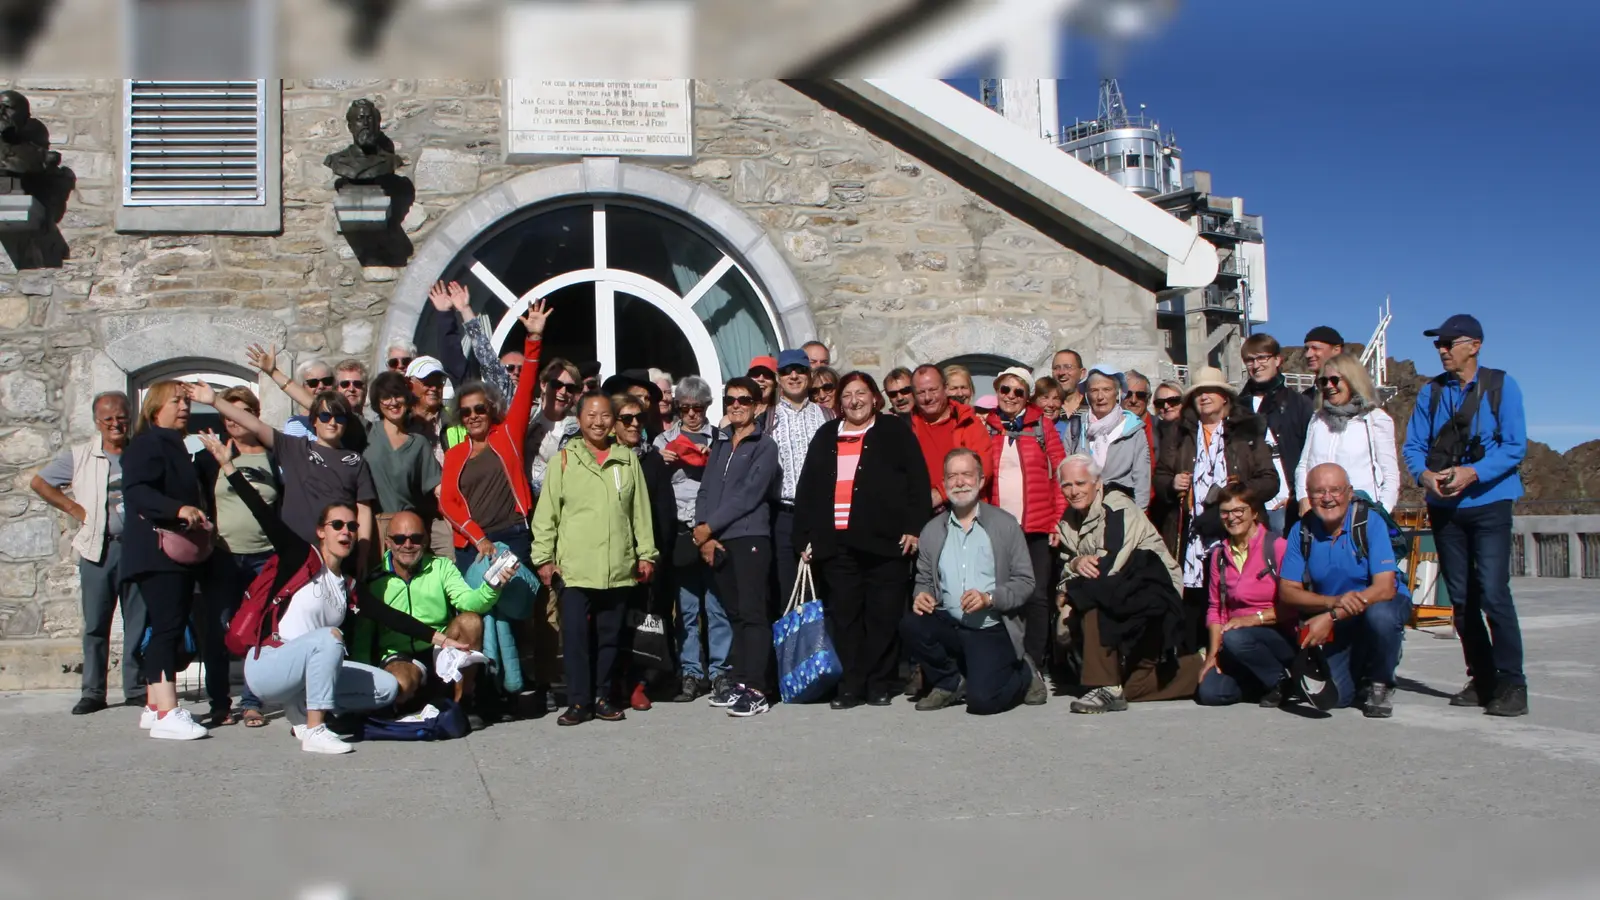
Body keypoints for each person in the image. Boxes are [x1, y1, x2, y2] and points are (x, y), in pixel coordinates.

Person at [201, 436, 469, 755]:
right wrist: (228, 466)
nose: (346, 531)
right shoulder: (299, 557)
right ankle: (316, 728)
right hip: (269, 667)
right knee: (329, 637)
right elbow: (264, 514)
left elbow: (390, 616)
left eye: (352, 526)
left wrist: (441, 639)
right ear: (321, 531)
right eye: (337, 525)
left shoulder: (348, 585)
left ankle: (303, 711)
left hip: (305, 673)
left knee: (386, 687)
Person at [1402, 314, 1528, 717]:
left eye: (1449, 343)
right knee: (1461, 599)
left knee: (1493, 591)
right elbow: (1413, 446)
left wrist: (1473, 472)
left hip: (1490, 504)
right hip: (1445, 509)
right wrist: (1425, 477)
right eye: (1438, 344)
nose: (1441, 350)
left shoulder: (1501, 387)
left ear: (1474, 345)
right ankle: (1482, 678)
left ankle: (1512, 684)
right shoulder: (1430, 393)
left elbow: (1514, 447)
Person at [794, 372, 931, 708]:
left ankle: (879, 682)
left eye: (861, 393)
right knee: (845, 617)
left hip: (885, 543)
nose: (854, 401)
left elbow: (917, 480)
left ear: (874, 397)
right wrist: (805, 536)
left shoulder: (894, 430)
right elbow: (808, 489)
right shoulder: (827, 434)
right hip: (836, 544)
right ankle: (851, 685)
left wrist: (914, 527)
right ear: (838, 402)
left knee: (883, 617)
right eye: (846, 395)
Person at [532, 392, 660, 726]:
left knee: (610, 637)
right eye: (591, 415)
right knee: (575, 639)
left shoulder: (626, 459)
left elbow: (640, 513)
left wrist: (646, 553)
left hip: (617, 567)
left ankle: (603, 697)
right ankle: (578, 702)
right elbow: (547, 514)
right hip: (574, 569)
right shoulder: (564, 459)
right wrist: (544, 557)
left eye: (605, 416)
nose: (598, 422)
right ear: (580, 417)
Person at [902, 448, 1046, 713]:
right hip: (951, 622)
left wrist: (989, 598)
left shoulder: (1005, 525)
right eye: (952, 476)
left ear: (980, 481)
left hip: (991, 626)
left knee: (983, 702)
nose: (959, 482)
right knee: (912, 624)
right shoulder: (933, 530)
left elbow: (1025, 582)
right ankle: (949, 681)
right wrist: (921, 594)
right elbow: (923, 578)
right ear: (944, 484)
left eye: (967, 475)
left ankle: (1025, 673)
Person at [29, 391, 145, 716]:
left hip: (137, 549)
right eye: (107, 419)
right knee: (96, 624)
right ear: (97, 422)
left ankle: (135, 688)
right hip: (99, 549)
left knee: (137, 621)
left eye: (121, 417)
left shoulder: (141, 453)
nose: (115, 424)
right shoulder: (80, 456)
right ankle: (93, 692)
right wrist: (72, 508)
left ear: (130, 417)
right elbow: (39, 483)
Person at [1056, 454, 1200, 713]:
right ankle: (1201, 665)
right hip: (1122, 590)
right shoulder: (1068, 520)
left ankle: (1105, 686)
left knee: (1089, 596)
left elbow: (1110, 565)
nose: (1074, 491)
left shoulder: (1117, 506)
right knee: (1134, 688)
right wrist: (1074, 566)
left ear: (1097, 483)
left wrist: (1068, 593)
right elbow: (1068, 566)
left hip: (1155, 588)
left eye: (1081, 483)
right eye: (1067, 485)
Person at [1152, 366, 1278, 652]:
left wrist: (1238, 493)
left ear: (1225, 397)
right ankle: (1197, 660)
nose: (1204, 397)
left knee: (1234, 592)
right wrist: (1172, 483)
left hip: (1236, 529)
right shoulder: (1180, 433)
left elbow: (1270, 481)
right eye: (1198, 393)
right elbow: (1159, 477)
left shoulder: (1247, 432)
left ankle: (1236, 654)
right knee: (1195, 598)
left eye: (1210, 391)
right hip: (1192, 532)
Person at [120, 381, 218, 741]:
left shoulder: (182, 445)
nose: (183, 407)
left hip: (171, 551)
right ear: (154, 408)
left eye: (186, 401)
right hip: (157, 551)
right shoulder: (147, 443)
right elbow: (138, 491)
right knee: (168, 627)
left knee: (167, 624)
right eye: (175, 401)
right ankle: (166, 711)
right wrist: (177, 508)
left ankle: (152, 705)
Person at [194, 381, 378, 572]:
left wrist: (363, 554)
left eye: (339, 418)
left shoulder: (355, 461)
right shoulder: (294, 448)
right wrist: (215, 400)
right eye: (325, 415)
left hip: (339, 555)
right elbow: (255, 425)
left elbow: (363, 510)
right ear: (314, 420)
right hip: (295, 553)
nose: (332, 422)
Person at [1276, 463, 1411, 718]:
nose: (1327, 498)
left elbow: (1384, 589)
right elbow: (1288, 591)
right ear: (1308, 494)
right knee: (1336, 697)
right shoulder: (1301, 531)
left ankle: (1380, 681)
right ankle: (1362, 667)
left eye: (1335, 490)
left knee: (1381, 617)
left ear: (1349, 492)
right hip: (1340, 613)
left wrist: (1330, 616)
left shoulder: (1369, 522)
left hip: (1377, 604)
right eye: (1318, 491)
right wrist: (1334, 603)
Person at [692, 377, 780, 717]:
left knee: (755, 614)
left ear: (758, 406)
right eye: (731, 400)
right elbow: (706, 491)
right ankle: (740, 681)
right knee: (736, 614)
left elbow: (750, 495)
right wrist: (704, 532)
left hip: (750, 537)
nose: (737, 405)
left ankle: (757, 688)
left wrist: (710, 527)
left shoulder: (765, 445)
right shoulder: (721, 445)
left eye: (744, 400)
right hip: (720, 540)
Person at [438, 301, 548, 572]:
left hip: (513, 535)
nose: (473, 416)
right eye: (465, 412)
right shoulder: (455, 453)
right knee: (479, 614)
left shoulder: (508, 433)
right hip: (472, 543)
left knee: (512, 612)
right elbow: (448, 503)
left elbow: (525, 386)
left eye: (479, 409)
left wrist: (533, 338)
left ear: (491, 409)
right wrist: (479, 537)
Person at [366, 511, 502, 723]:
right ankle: (416, 696)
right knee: (398, 684)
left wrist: (494, 585)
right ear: (388, 542)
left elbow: (469, 602)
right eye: (400, 539)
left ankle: (463, 702)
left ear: (426, 540)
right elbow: (362, 638)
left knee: (470, 621)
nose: (408, 545)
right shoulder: (375, 580)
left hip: (441, 648)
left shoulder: (442, 567)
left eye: (416, 538)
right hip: (401, 656)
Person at [980, 366, 1066, 676]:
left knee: (1038, 596)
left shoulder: (1042, 426)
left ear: (1027, 396)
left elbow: (1060, 475)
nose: (1011, 397)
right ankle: (1006, 658)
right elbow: (983, 480)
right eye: (1005, 390)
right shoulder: (987, 426)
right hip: (999, 528)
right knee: (1002, 593)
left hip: (1037, 526)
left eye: (1018, 391)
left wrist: (1057, 520)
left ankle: (1034, 664)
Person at [200, 387, 277, 728]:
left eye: (242, 410)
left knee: (258, 631)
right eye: (227, 412)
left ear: (254, 414)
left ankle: (252, 702)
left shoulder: (273, 458)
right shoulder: (208, 456)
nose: (234, 418)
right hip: (223, 556)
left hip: (265, 556)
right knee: (219, 629)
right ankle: (219, 703)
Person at [654, 376, 730, 703]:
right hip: (682, 530)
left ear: (706, 407)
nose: (691, 414)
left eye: (697, 408)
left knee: (717, 605)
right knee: (686, 608)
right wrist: (661, 463)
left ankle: (720, 671)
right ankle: (690, 672)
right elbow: (651, 483)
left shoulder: (722, 439)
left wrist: (715, 457)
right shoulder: (662, 440)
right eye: (685, 408)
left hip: (714, 529)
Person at [1194, 485, 1294, 707]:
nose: (1232, 517)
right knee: (1210, 693)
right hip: (1234, 642)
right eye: (1225, 512)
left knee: (1237, 637)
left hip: (1274, 635)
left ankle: (1281, 679)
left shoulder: (1277, 547)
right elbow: (1215, 609)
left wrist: (1251, 620)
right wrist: (1212, 656)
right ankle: (1264, 684)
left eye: (1239, 510)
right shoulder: (1219, 555)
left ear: (1255, 512)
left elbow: (1293, 606)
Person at [611, 392, 678, 712]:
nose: (635, 424)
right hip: (609, 555)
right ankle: (612, 683)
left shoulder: (652, 459)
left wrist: (654, 556)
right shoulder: (604, 457)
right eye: (627, 419)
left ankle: (639, 683)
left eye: (639, 418)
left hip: (645, 556)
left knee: (643, 621)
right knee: (612, 622)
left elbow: (665, 511)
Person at [768, 348, 834, 606]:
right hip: (782, 515)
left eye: (799, 370)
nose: (793, 376)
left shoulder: (827, 416)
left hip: (821, 514)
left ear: (809, 374)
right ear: (778, 378)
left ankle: (821, 647)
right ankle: (791, 647)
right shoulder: (767, 419)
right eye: (786, 371)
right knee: (787, 592)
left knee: (822, 588)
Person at [1296, 354, 1399, 514]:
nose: (1329, 386)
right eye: (1323, 381)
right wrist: (1303, 498)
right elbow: (1304, 465)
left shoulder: (1374, 419)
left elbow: (1390, 474)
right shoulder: (1318, 419)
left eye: (1335, 380)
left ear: (1352, 380)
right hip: (1319, 512)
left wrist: (1381, 512)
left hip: (1360, 513)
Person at [1238, 334, 1313, 533]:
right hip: (1247, 502)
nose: (1256, 365)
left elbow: (1310, 452)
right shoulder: (1238, 406)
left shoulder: (1299, 403)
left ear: (1277, 360)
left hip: (1288, 501)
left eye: (1262, 358)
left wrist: (1298, 495)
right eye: (1250, 360)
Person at [360, 371, 444, 539]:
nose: (393, 402)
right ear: (377, 401)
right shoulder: (367, 431)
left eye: (398, 395)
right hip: (372, 528)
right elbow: (322, 406)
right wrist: (289, 383)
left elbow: (439, 490)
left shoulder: (419, 444)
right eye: (386, 397)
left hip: (408, 530)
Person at [1060, 365, 1150, 509]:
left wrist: (1137, 517)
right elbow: (1064, 472)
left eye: (1107, 390)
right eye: (1094, 390)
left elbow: (1142, 481)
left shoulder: (1133, 429)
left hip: (1121, 511)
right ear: (1087, 395)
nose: (1100, 397)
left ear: (1118, 393)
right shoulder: (1076, 426)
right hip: (1082, 511)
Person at [909, 364, 992, 513]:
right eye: (921, 392)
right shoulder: (906, 425)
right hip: (921, 514)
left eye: (933, 390)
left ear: (945, 388)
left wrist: (941, 493)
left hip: (966, 511)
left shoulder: (968, 422)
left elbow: (983, 468)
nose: (928, 398)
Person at [282, 358, 334, 440]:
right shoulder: (296, 424)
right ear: (302, 387)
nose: (321, 386)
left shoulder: (342, 418)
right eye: (313, 383)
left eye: (327, 381)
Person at [1302, 326, 1344, 399]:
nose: (1308, 355)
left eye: (1315, 348)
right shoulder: (1305, 399)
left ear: (1336, 350)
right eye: (1306, 349)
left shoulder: (1354, 394)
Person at [1051, 349, 1086, 422]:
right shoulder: (1048, 409)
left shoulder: (1093, 406)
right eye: (1057, 368)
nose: (1061, 373)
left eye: (1068, 367)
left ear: (1082, 373)